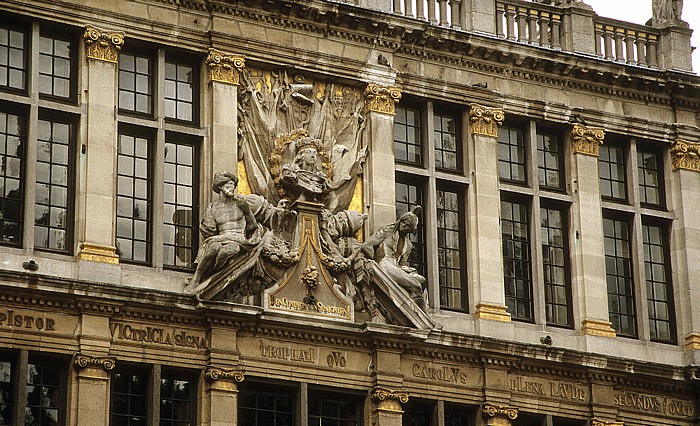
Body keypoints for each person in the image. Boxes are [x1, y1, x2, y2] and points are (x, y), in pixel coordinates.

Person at [189, 172, 262, 288]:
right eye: (228, 185)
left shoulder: (241, 204)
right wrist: (206, 227)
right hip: (222, 236)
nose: (232, 188)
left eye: (233, 185)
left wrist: (247, 236)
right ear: (220, 187)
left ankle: (212, 274)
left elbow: (252, 225)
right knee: (213, 248)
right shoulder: (213, 207)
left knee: (227, 251)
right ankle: (197, 278)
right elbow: (210, 230)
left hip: (238, 239)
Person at [361, 207, 428, 310]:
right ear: (401, 220)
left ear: (411, 229)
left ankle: (419, 312)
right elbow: (367, 246)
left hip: (396, 267)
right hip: (385, 264)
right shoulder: (387, 231)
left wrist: (408, 271)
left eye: (407, 226)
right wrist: (373, 262)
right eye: (403, 223)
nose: (404, 226)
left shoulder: (408, 245)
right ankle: (425, 318)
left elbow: (402, 264)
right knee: (416, 286)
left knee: (422, 281)